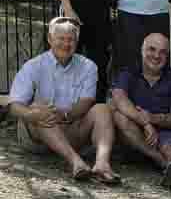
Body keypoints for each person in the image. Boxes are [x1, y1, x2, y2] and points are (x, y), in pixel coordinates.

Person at [8, 16, 119, 184]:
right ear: (50, 39)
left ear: (77, 42)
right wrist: (33, 114)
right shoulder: (33, 66)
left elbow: (87, 101)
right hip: (38, 135)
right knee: (41, 108)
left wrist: (65, 115)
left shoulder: (88, 66)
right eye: (61, 39)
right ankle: (75, 162)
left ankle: (102, 163)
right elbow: (14, 106)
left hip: (71, 126)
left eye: (71, 40)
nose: (66, 44)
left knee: (102, 109)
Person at [110, 32, 171, 188]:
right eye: (151, 50)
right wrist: (145, 123)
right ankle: (160, 160)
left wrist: (152, 118)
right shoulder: (128, 73)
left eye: (162, 52)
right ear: (142, 50)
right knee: (119, 116)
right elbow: (119, 99)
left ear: (167, 56)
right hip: (134, 135)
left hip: (166, 133)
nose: (156, 56)